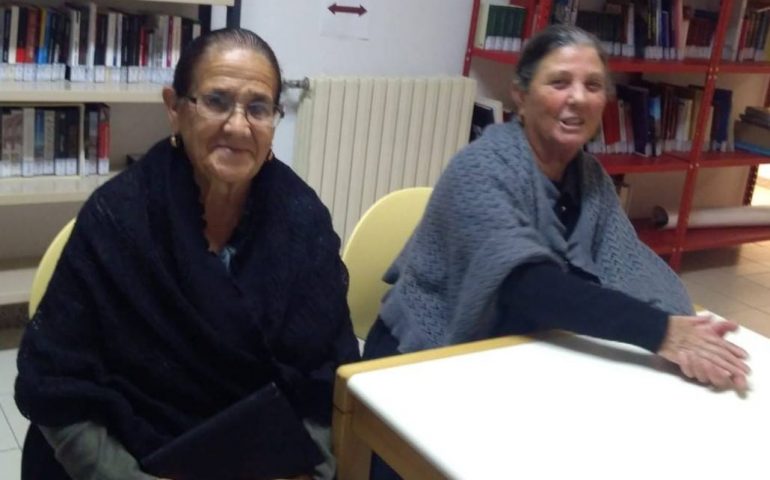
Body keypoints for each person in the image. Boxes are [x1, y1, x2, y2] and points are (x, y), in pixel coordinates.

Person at [363, 24, 751, 479]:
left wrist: (688, 332)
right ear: (521, 95)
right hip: (424, 355)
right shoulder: (480, 168)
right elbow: (527, 286)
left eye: (593, 86)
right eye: (559, 82)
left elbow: (635, 267)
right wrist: (662, 332)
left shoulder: (590, 178)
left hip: (518, 350)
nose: (578, 98)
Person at [15, 28, 359, 480]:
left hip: (259, 458)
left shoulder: (302, 220)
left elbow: (326, 376)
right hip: (128, 458)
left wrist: (307, 469)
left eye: (258, 108)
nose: (238, 126)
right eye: (217, 101)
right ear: (174, 109)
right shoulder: (120, 219)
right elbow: (56, 383)